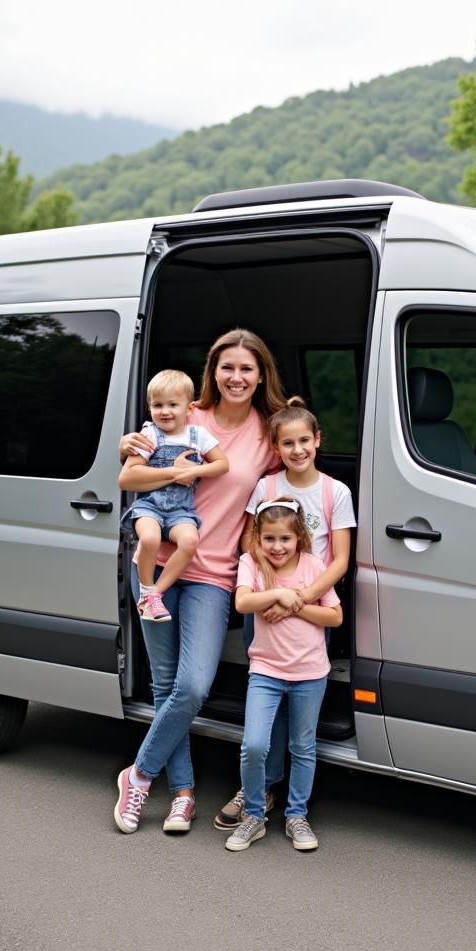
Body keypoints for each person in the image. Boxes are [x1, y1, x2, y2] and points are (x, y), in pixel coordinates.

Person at [113, 328, 286, 834]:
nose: (236, 377)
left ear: (260, 376)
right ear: (212, 372)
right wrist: (145, 455)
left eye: (246, 369)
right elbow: (131, 472)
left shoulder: (266, 433)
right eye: (226, 367)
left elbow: (279, 498)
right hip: (155, 567)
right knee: (167, 683)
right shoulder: (185, 415)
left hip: (213, 574)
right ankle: (183, 794)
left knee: (192, 685)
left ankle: (138, 774)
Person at [213, 398, 356, 829]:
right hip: (266, 602)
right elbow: (248, 545)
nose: (297, 450)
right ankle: (261, 787)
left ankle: (288, 798)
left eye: (304, 441)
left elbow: (340, 560)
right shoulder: (267, 487)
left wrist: (301, 597)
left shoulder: (335, 492)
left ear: (318, 441)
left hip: (311, 602)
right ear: (277, 448)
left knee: (299, 694)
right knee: (266, 699)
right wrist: (274, 593)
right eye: (287, 443)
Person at [225, 497, 342, 852]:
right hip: (266, 670)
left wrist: (295, 605)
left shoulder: (313, 564)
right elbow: (243, 603)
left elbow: (334, 617)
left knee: (302, 746)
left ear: (299, 539)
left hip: (310, 672)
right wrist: (278, 592)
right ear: (258, 538)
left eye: (285, 539)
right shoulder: (251, 563)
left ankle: (296, 815)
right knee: (254, 744)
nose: (277, 547)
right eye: (270, 539)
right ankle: (255, 816)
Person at [119, 369, 229, 623]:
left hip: (181, 510)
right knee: (149, 538)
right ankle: (146, 588)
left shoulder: (197, 436)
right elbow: (126, 478)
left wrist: (196, 469)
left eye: (172, 405)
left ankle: (153, 594)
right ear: (149, 407)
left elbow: (222, 465)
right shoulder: (148, 435)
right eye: (157, 405)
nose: (165, 411)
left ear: (189, 408)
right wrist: (175, 472)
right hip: (150, 506)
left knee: (190, 541)